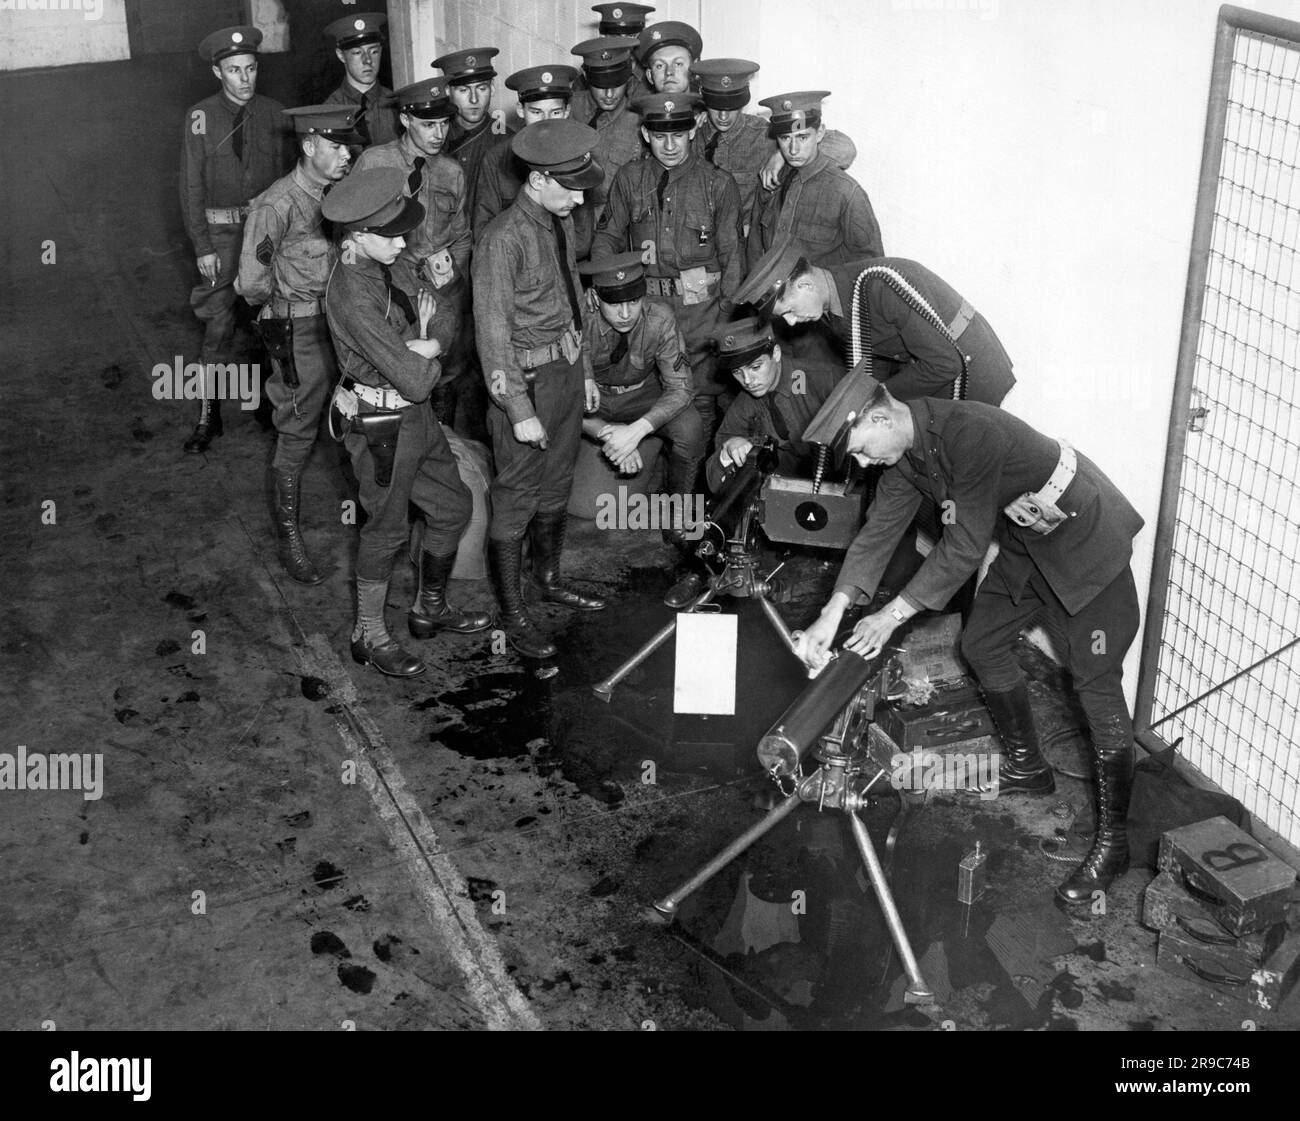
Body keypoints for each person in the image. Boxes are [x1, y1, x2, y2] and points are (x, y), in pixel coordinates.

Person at [794, 381, 1144, 905]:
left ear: (883, 419)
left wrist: (891, 616)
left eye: (863, 449)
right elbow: (877, 533)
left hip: (1083, 540)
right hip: (1029, 543)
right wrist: (832, 612)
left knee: (1096, 685)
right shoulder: (907, 457)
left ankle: (1114, 845)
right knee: (981, 643)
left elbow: (964, 546)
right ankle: (1028, 767)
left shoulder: (969, 432)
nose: (864, 464)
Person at [323, 167, 491, 678]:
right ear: (357, 235)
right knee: (386, 530)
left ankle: (429, 608)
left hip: (415, 417)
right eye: (391, 233)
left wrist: (429, 344)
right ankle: (369, 635)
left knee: (452, 505)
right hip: (380, 422)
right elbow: (417, 382)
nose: (403, 241)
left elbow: (445, 310)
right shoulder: (351, 292)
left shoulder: (390, 264)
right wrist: (419, 354)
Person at [474, 120, 608, 660]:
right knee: (515, 498)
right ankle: (511, 612)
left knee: (556, 485)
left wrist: (588, 372)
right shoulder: (501, 239)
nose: (580, 198)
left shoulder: (558, 220)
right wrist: (516, 407)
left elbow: (574, 296)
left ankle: (547, 578)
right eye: (570, 186)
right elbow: (491, 330)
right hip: (524, 382)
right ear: (536, 179)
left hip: (566, 374)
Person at [235, 105, 359, 585]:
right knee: (298, 430)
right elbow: (250, 282)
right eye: (335, 146)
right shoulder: (277, 204)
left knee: (354, 418)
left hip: (343, 325)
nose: (345, 154)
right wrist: (284, 309)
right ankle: (290, 539)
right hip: (301, 332)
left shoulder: (339, 196)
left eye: (348, 145)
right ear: (308, 147)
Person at [592, 92, 743, 440]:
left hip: (700, 315)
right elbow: (607, 239)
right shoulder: (630, 179)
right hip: (643, 310)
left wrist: (722, 323)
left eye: (678, 134)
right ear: (646, 134)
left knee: (699, 401)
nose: (670, 145)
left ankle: (689, 491)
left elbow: (733, 259)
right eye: (660, 136)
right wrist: (609, 295)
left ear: (693, 131)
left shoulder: (718, 183)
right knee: (650, 396)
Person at [736, 235, 1016, 405]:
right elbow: (874, 356)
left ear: (805, 285)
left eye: (789, 311)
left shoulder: (877, 285)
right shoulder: (832, 304)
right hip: (932, 363)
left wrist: (876, 396)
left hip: (970, 365)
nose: (793, 323)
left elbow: (945, 363)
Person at [179, 25, 288, 453]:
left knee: (271, 322)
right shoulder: (199, 117)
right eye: (234, 70)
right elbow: (190, 187)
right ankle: (210, 415)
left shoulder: (276, 113)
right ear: (217, 72)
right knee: (218, 327)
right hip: (221, 235)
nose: (244, 79)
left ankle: (269, 405)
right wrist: (202, 246)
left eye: (250, 68)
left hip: (264, 232)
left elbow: (285, 180)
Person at [353, 78, 473, 428]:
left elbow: (461, 235)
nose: (438, 133)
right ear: (405, 119)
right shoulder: (375, 163)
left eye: (444, 123)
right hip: (392, 291)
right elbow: (353, 231)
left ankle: (444, 444)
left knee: (445, 375)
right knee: (399, 374)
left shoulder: (451, 172)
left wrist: (449, 279)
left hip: (439, 289)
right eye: (428, 124)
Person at [576, 251, 703, 517]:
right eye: (614, 304)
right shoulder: (578, 319)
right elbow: (561, 399)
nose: (625, 313)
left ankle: (677, 512)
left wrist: (635, 432)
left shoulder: (660, 317)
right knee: (587, 509)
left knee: (690, 428)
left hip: (642, 398)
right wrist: (610, 433)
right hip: (592, 405)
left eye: (634, 301)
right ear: (596, 298)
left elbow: (681, 389)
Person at [690, 60, 857, 227]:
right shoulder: (692, 135)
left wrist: (781, 155)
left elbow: (844, 149)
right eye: (715, 106)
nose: (723, 117)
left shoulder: (764, 133)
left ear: (743, 101)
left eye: (731, 107)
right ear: (705, 102)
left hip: (748, 243)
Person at [745, 91, 882, 271]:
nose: (793, 149)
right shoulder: (772, 178)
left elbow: (871, 266)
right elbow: (755, 247)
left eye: (802, 137)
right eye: (785, 138)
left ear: (820, 134)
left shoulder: (845, 192)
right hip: (771, 294)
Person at [705, 316, 838, 491]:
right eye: (737, 372)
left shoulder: (824, 380)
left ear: (776, 354)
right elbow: (715, 483)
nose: (747, 381)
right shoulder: (745, 404)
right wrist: (727, 451)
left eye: (755, 367)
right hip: (787, 487)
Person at [473, 65, 587, 245]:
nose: (545, 123)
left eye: (555, 112)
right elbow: (483, 232)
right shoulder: (497, 159)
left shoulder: (579, 156)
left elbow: (582, 236)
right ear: (520, 109)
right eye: (536, 112)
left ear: (567, 111)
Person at [569, 35, 645, 206]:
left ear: (628, 76)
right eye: (601, 85)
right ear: (586, 75)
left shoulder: (639, 120)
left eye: (617, 84)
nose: (609, 94)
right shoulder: (567, 110)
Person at [434, 46, 502, 215]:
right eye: (463, 90)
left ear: (492, 88)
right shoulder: (433, 138)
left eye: (482, 88)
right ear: (448, 91)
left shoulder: (506, 142)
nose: (474, 99)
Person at [322, 12, 397, 149]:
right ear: (341, 55)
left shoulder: (395, 105)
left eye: (373, 51)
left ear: (381, 51)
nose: (367, 60)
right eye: (357, 53)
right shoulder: (330, 110)